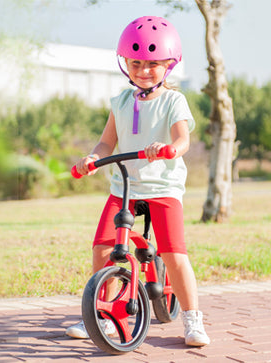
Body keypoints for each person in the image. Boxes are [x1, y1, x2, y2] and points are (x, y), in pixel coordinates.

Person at [66, 16, 210, 347]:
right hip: (125, 187)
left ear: (168, 65)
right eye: (136, 63)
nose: (144, 70)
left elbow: (183, 139)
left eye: (152, 64)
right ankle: (101, 316)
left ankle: (192, 320)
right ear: (125, 64)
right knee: (104, 248)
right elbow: (106, 144)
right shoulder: (120, 102)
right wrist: (92, 157)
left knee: (174, 253)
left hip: (163, 188)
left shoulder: (174, 101)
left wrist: (169, 149)